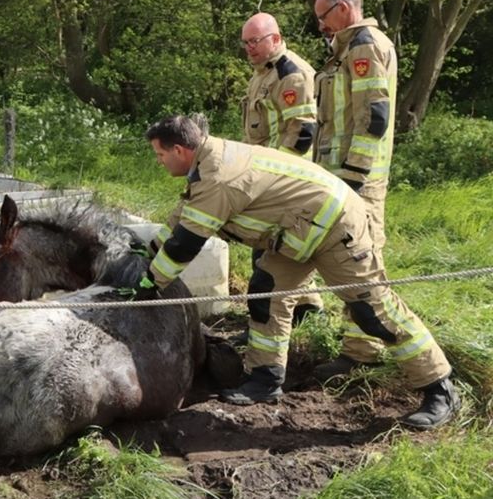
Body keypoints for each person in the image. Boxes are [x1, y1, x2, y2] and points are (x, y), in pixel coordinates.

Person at [132, 113, 458, 429]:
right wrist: (141, 256)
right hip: (297, 231)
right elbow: (180, 219)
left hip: (334, 228)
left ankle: (439, 388)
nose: (159, 161)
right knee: (266, 294)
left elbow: (185, 244)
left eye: (160, 154)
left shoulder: (218, 176)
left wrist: (149, 282)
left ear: (180, 150)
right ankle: (265, 378)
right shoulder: (206, 163)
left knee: (373, 311)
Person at [312, 0, 398, 381]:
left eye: (323, 17)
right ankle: (356, 343)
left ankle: (364, 351)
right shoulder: (345, 48)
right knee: (347, 259)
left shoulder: (364, 46)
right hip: (339, 175)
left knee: (362, 260)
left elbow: (374, 117)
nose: (320, 26)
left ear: (343, 9)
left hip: (357, 179)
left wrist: (355, 177)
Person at [239, 12, 323, 328]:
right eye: (246, 42)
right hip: (265, 173)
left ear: (275, 38)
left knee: (269, 253)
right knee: (282, 248)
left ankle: (269, 324)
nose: (249, 48)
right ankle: (309, 312)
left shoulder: (292, 73)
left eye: (255, 41)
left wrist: (274, 177)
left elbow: (302, 133)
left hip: (287, 178)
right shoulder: (261, 73)